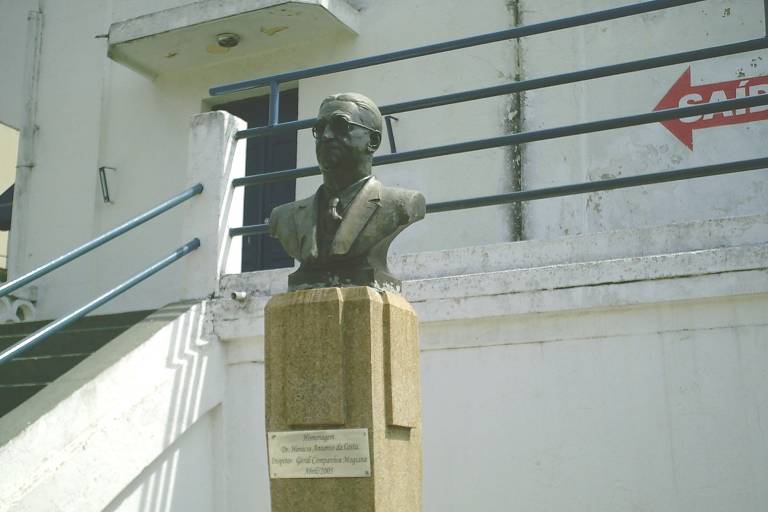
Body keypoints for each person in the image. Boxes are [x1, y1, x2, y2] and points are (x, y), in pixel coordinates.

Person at [268, 92, 425, 290]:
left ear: (373, 141)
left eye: (340, 125)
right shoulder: (284, 217)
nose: (326, 136)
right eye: (320, 128)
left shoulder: (402, 204)